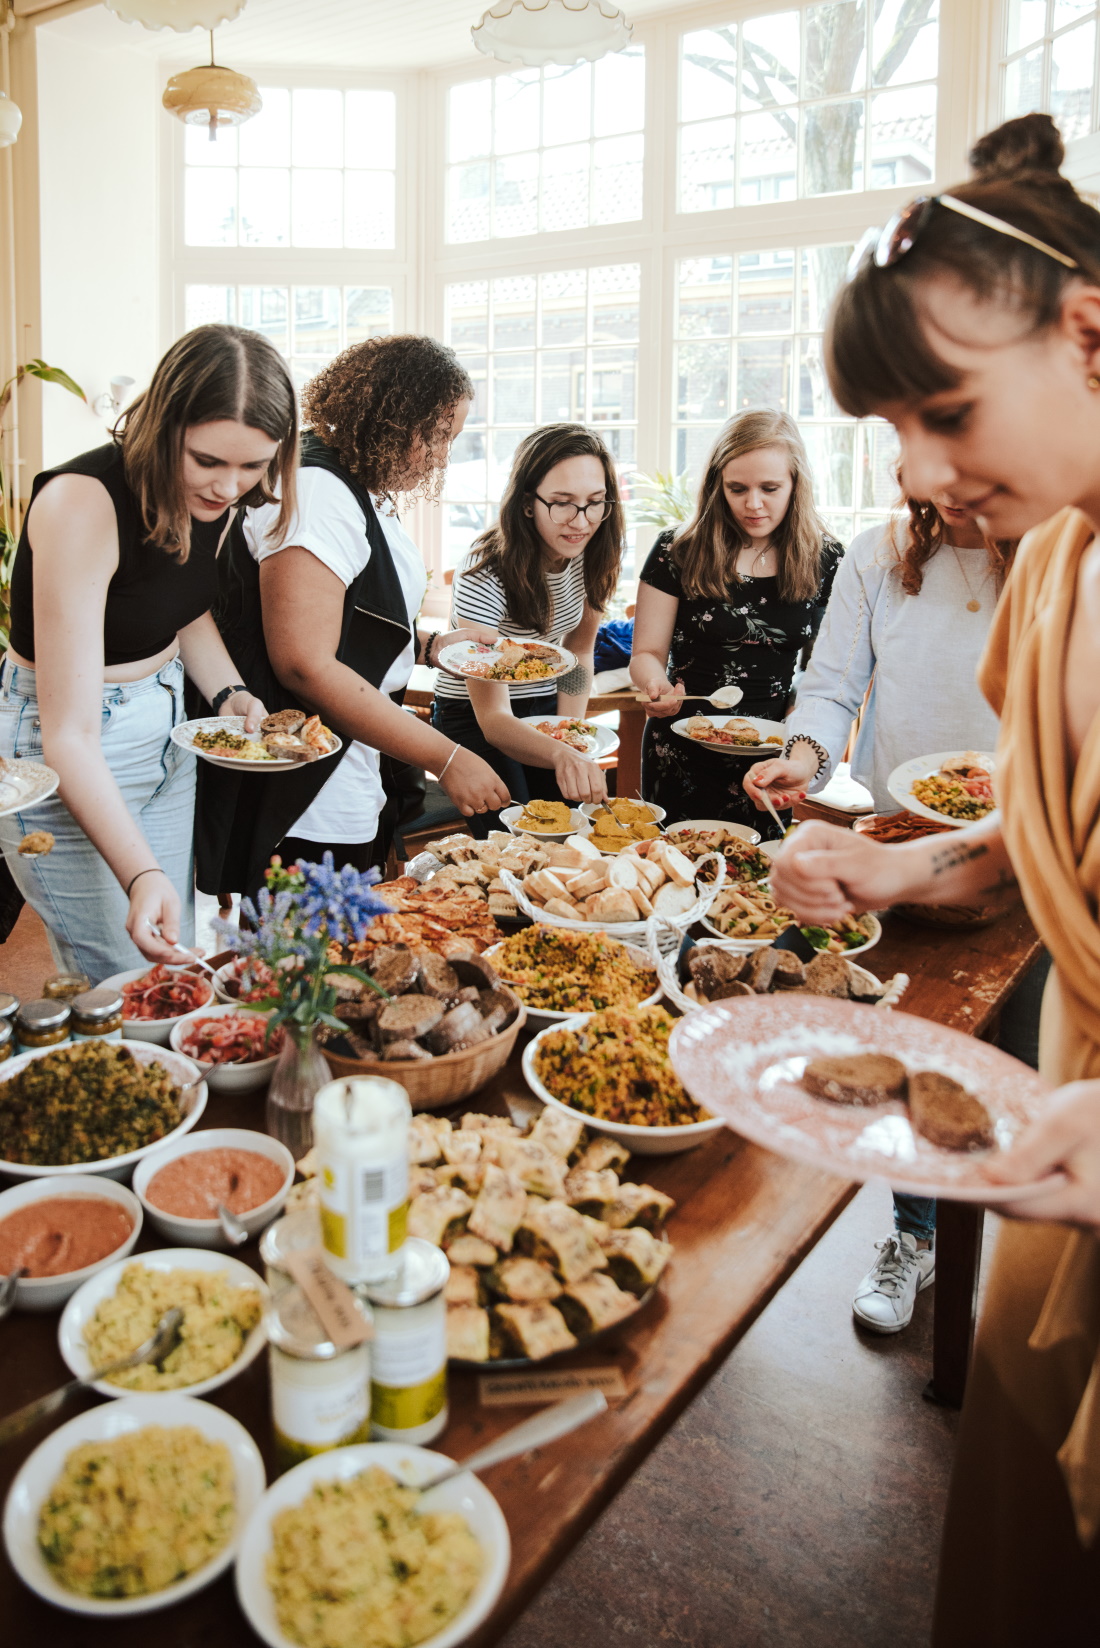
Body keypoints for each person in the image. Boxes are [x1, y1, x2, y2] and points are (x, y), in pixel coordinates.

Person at [768, 113, 1100, 1645]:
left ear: (1090, 332)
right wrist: (901, 881)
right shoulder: (1054, 570)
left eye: (943, 409)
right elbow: (1039, 842)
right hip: (1062, 1140)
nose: (913, 468)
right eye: (891, 425)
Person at [743, 493, 1019, 1333]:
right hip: (900, 842)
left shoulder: (1055, 547)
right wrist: (802, 757)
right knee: (914, 1054)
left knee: (1013, 1075)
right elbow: (831, 691)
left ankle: (1019, 1262)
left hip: (1028, 856)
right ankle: (915, 1233)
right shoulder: (879, 552)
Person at [0, 324, 296, 981]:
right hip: (69, 741)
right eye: (209, 461)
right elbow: (68, 736)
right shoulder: (82, 503)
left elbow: (179, 605)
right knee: (122, 979)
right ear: (165, 425)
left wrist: (229, 692)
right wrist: (140, 873)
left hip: (164, 728)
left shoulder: (211, 500)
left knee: (173, 967)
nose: (229, 488)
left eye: (253, 465)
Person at [196, 335, 510, 898]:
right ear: (393, 417)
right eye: (439, 436)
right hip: (311, 783)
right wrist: (448, 757)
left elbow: (349, 619)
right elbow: (304, 664)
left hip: (354, 762)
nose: (442, 456)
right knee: (309, 969)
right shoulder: (320, 491)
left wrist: (430, 646)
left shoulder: (358, 485)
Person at [629, 408, 843, 836]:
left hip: (771, 751)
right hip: (681, 741)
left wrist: (802, 741)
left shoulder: (826, 559)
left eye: (769, 488)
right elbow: (647, 653)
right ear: (716, 486)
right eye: (737, 488)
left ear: (795, 485)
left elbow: (828, 676)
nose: (753, 503)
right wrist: (656, 685)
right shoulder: (678, 549)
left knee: (756, 882)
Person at [432, 423, 623, 838]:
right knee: (521, 837)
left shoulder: (596, 555)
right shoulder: (485, 570)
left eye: (594, 503)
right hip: (474, 718)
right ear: (526, 504)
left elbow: (579, 653)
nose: (582, 521)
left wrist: (570, 732)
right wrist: (562, 754)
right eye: (562, 503)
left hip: (543, 708)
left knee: (570, 833)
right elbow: (494, 719)